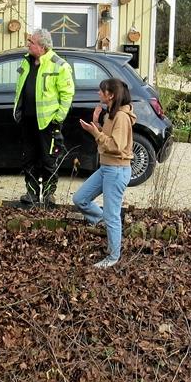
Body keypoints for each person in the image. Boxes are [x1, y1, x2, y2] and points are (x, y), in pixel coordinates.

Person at [74, 78, 135, 269]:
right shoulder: (112, 114)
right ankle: (105, 223)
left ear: (111, 95)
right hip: (106, 168)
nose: (99, 93)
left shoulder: (122, 118)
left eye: (102, 91)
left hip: (117, 171)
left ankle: (113, 256)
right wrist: (95, 124)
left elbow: (116, 146)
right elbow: (107, 140)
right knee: (80, 199)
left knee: (112, 215)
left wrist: (96, 133)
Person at [12, 27, 75, 206]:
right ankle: (31, 194)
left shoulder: (59, 65)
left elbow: (67, 95)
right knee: (29, 158)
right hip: (28, 120)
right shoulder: (26, 62)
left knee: (48, 159)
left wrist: (58, 118)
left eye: (31, 42)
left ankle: (48, 195)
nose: (28, 45)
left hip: (48, 122)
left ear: (42, 46)